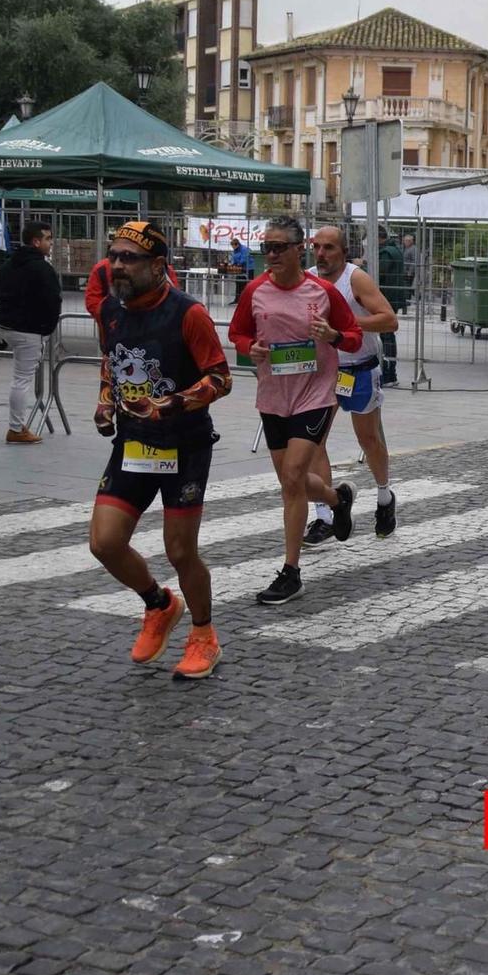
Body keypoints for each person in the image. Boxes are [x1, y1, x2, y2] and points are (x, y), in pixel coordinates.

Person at [88, 221, 232, 680]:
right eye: (114, 256)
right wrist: (106, 403)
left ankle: (204, 635)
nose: (117, 266)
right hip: (133, 442)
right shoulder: (111, 310)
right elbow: (111, 366)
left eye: (128, 258)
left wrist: (168, 404)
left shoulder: (188, 313)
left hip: (184, 444)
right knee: (105, 543)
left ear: (157, 264)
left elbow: (221, 378)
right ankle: (159, 604)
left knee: (180, 551)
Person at [228, 217, 365, 606]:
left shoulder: (322, 292)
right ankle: (338, 499)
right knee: (296, 483)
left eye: (277, 247)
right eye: (265, 248)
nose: (270, 255)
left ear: (297, 248)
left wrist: (333, 336)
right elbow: (237, 333)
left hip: (316, 393)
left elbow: (353, 338)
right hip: (274, 396)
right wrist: (248, 348)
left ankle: (291, 572)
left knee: (291, 478)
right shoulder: (255, 290)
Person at [304, 225, 402, 544]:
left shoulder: (355, 278)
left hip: (359, 368)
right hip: (323, 371)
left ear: (343, 251)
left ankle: (385, 496)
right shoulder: (306, 279)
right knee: (314, 441)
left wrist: (345, 325)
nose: (321, 253)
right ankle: (324, 516)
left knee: (368, 439)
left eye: (329, 247)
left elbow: (389, 320)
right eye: (317, 246)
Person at [0, 220, 61, 445]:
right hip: (29, 330)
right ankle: (16, 428)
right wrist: (46, 329)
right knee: (21, 380)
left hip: (6, 325)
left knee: (19, 377)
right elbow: (53, 301)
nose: (51, 243)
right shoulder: (42, 269)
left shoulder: (9, 264)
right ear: (36, 241)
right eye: (48, 239)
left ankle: (17, 426)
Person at [87, 251, 178, 322]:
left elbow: (173, 298)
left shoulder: (163, 269)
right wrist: (112, 319)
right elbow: (93, 302)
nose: (118, 266)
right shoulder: (101, 268)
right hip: (114, 329)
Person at [375, 227, 410, 386]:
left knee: (386, 338)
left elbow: (376, 272)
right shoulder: (394, 249)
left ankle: (389, 374)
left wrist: (362, 264)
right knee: (387, 336)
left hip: (386, 299)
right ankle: (389, 373)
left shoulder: (386, 252)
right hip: (391, 298)